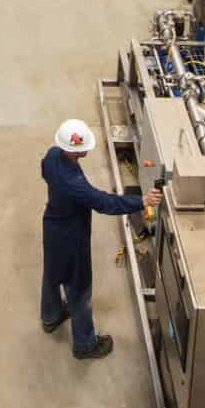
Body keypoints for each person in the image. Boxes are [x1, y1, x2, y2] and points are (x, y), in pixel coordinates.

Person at [40, 119, 162, 360]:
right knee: (79, 288)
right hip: (71, 238)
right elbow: (105, 202)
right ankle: (85, 345)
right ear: (75, 150)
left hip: (52, 226)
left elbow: (45, 172)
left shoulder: (52, 156)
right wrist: (142, 201)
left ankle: (50, 316)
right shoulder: (74, 184)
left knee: (52, 274)